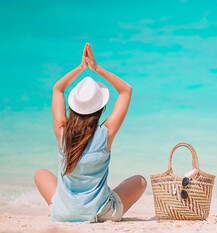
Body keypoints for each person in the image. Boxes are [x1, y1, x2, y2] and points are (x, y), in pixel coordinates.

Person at [33, 43, 146, 222]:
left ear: (72, 107)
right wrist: (96, 68)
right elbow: (126, 90)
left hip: (63, 213)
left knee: (40, 174)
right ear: (101, 109)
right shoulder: (105, 134)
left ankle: (68, 208)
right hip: (99, 213)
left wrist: (81, 68)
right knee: (140, 181)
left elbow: (57, 89)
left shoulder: (62, 132)